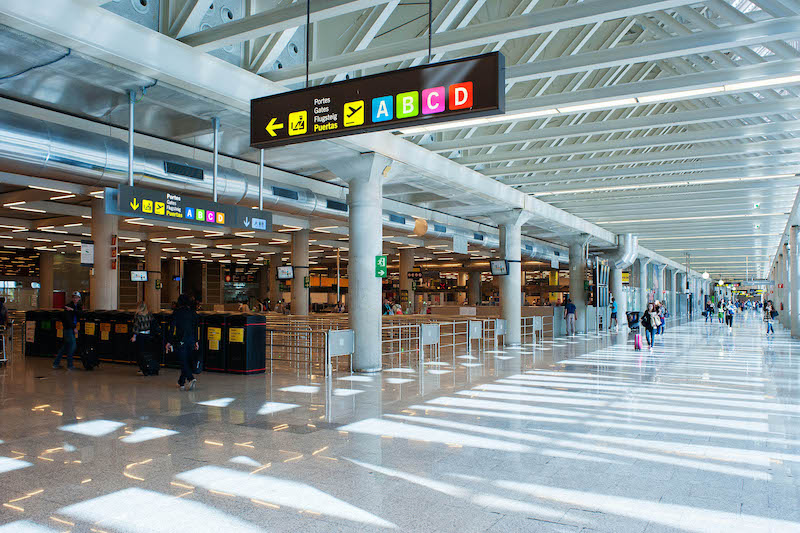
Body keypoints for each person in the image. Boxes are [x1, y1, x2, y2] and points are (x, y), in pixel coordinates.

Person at [166, 294, 199, 391]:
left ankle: (190, 378)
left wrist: (169, 341)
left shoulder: (177, 313)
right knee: (186, 360)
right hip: (191, 340)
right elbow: (195, 328)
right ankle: (181, 382)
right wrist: (196, 341)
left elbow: (172, 328)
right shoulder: (193, 313)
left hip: (181, 339)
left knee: (182, 361)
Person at [53, 291, 82, 370]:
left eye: (77, 297)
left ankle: (56, 363)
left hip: (71, 328)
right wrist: (74, 328)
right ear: (72, 298)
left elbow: (80, 314)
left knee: (65, 347)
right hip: (68, 329)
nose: (75, 299)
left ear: (79, 298)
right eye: (74, 297)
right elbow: (68, 320)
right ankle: (70, 365)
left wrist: (73, 310)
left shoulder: (77, 307)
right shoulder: (67, 307)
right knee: (72, 346)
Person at [131, 301, 160, 375]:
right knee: (148, 353)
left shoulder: (138, 316)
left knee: (140, 353)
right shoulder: (149, 314)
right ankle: (150, 366)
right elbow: (153, 324)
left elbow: (136, 327)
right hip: (148, 335)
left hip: (140, 336)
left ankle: (143, 368)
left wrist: (134, 336)